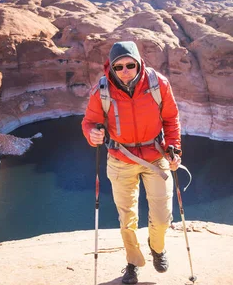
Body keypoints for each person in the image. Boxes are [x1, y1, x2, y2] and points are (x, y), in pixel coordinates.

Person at [82, 40, 182, 284]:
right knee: (127, 219)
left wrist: (174, 148)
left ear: (139, 63)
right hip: (120, 158)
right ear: (111, 68)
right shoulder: (102, 91)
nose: (125, 71)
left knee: (161, 217)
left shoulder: (158, 84)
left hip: (156, 155)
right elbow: (89, 121)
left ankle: (157, 248)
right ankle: (134, 262)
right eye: (119, 67)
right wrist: (92, 134)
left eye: (130, 65)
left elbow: (171, 118)